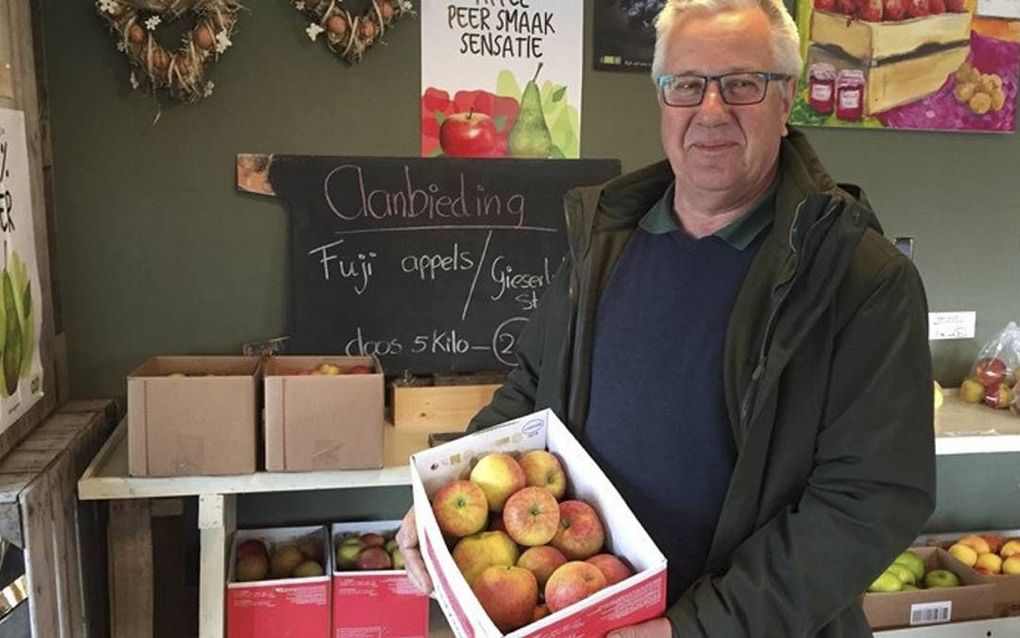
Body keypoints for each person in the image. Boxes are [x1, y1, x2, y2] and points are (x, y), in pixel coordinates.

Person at [396, 0, 936, 634]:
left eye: (741, 83)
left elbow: (867, 502)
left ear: (786, 98)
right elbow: (528, 391)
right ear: (661, 97)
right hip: (578, 608)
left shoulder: (860, 278)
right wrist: (445, 498)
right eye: (686, 85)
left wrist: (693, 629)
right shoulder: (603, 238)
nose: (710, 110)